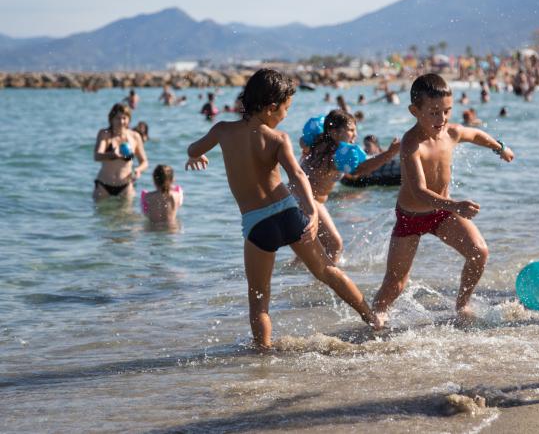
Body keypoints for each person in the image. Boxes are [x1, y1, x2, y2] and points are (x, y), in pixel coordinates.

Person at [185, 69, 381, 349]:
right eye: (286, 109)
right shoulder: (278, 139)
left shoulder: (222, 131)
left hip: (257, 224)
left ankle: (263, 354)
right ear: (270, 108)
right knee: (327, 272)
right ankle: (373, 319)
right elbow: (298, 177)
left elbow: (192, 148)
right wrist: (312, 214)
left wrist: (197, 156)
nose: (287, 115)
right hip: (289, 213)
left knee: (259, 299)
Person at [372, 74, 514, 324]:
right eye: (434, 112)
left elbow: (476, 135)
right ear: (415, 111)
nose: (442, 119)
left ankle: (462, 305)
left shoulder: (451, 133)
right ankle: (375, 318)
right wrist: (456, 205)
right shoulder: (411, 143)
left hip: (441, 214)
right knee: (395, 284)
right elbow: (418, 191)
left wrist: (499, 147)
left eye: (447, 111)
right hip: (411, 218)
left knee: (478, 252)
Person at [302, 109, 400, 263]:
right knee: (335, 246)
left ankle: (292, 279)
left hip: (298, 197)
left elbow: (302, 142)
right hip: (310, 201)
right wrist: (389, 153)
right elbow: (360, 170)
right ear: (334, 132)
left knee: (310, 250)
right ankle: (327, 283)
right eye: (351, 130)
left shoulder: (317, 141)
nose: (355, 135)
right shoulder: (336, 153)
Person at [93, 103, 148, 200]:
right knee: (100, 215)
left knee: (126, 215)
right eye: (118, 118)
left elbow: (144, 162)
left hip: (125, 186)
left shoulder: (135, 136)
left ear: (129, 119)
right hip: (103, 185)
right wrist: (112, 154)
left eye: (124, 118)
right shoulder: (105, 134)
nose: (121, 121)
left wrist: (137, 170)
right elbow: (97, 156)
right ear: (111, 119)